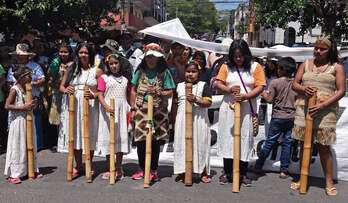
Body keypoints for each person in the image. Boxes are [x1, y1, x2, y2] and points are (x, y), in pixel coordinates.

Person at [290, 37, 346, 196]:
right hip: (304, 109)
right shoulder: (305, 64)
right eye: (316, 48)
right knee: (304, 145)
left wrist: (322, 105)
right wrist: (303, 89)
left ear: (330, 51)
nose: (318, 51)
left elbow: (341, 91)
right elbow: (295, 84)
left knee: (324, 147)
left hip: (325, 111)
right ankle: (302, 178)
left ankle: (328, 182)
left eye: (322, 49)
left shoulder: (337, 67)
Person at [216, 39, 266, 186]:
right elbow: (218, 84)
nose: (238, 59)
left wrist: (246, 96)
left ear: (246, 54)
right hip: (228, 108)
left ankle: (243, 173)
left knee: (244, 138)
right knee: (228, 138)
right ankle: (228, 172)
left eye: (241, 56)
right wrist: (229, 90)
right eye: (235, 56)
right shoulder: (225, 67)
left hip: (246, 108)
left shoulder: (255, 67)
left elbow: (260, 86)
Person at [130, 43, 175, 182]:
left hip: (158, 111)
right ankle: (142, 168)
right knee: (141, 141)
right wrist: (132, 108)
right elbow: (133, 89)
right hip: (141, 109)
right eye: (148, 57)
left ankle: (153, 170)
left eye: (153, 57)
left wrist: (160, 92)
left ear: (158, 58)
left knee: (155, 142)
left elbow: (170, 92)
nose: (150, 60)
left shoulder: (165, 72)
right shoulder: (140, 71)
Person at [59, 42, 103, 177]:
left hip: (90, 107)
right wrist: (67, 89)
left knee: (89, 133)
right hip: (73, 107)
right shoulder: (71, 69)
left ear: (90, 55)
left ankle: (89, 162)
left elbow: (102, 91)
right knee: (75, 134)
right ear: (77, 54)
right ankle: (78, 165)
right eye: (81, 52)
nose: (83, 55)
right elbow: (61, 87)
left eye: (86, 53)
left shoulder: (97, 71)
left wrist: (93, 95)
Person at [254, 57, 297, 178]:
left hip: (278, 116)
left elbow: (269, 100)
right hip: (292, 117)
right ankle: (284, 170)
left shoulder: (275, 83)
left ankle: (258, 166)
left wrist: (262, 91)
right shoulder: (296, 83)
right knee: (287, 143)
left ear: (281, 69)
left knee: (269, 142)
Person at [174, 60, 212, 183]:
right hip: (182, 121)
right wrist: (174, 121)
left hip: (199, 121)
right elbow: (175, 105)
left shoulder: (203, 85)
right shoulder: (179, 86)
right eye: (188, 71)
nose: (190, 74)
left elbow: (208, 102)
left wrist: (197, 100)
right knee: (181, 145)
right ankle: (182, 171)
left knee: (200, 144)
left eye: (193, 72)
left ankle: (203, 172)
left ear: (199, 73)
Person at [4, 66, 43, 184]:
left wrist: (32, 105)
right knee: (18, 145)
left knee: (30, 144)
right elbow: (7, 105)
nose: (31, 77)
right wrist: (23, 107)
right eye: (28, 75)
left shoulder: (28, 89)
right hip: (18, 122)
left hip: (28, 120)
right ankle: (15, 173)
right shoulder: (14, 89)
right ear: (21, 78)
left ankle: (31, 168)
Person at [97, 53, 131, 181]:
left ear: (120, 64)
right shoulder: (104, 78)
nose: (114, 66)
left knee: (121, 137)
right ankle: (109, 166)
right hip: (108, 111)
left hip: (121, 111)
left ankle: (119, 167)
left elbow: (127, 96)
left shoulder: (125, 80)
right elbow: (100, 94)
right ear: (107, 65)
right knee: (109, 139)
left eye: (116, 63)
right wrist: (106, 106)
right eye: (111, 64)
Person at [8, 43, 46, 150]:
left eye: (22, 54)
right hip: (17, 98)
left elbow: (42, 79)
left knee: (34, 123)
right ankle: (19, 147)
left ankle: (36, 146)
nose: (20, 56)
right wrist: (16, 88)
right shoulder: (13, 68)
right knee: (18, 123)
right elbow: (9, 82)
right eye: (19, 54)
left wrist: (30, 84)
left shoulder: (35, 66)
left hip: (32, 96)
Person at [47, 43, 74, 149]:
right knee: (58, 117)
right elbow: (50, 77)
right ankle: (60, 142)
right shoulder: (55, 63)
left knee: (69, 115)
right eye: (61, 51)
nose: (63, 54)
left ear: (69, 53)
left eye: (65, 52)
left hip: (70, 92)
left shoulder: (74, 64)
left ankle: (70, 141)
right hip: (57, 93)